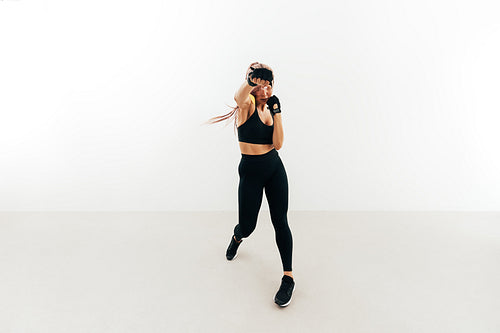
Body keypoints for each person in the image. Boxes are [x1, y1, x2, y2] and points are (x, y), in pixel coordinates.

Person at [206, 62, 295, 307]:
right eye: (260, 85)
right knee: (248, 226)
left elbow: (278, 144)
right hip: (251, 172)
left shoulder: (272, 107)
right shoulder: (247, 106)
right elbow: (238, 96)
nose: (265, 90)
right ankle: (237, 237)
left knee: (281, 221)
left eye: (269, 85)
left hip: (275, 168)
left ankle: (288, 277)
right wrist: (250, 80)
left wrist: (278, 114)